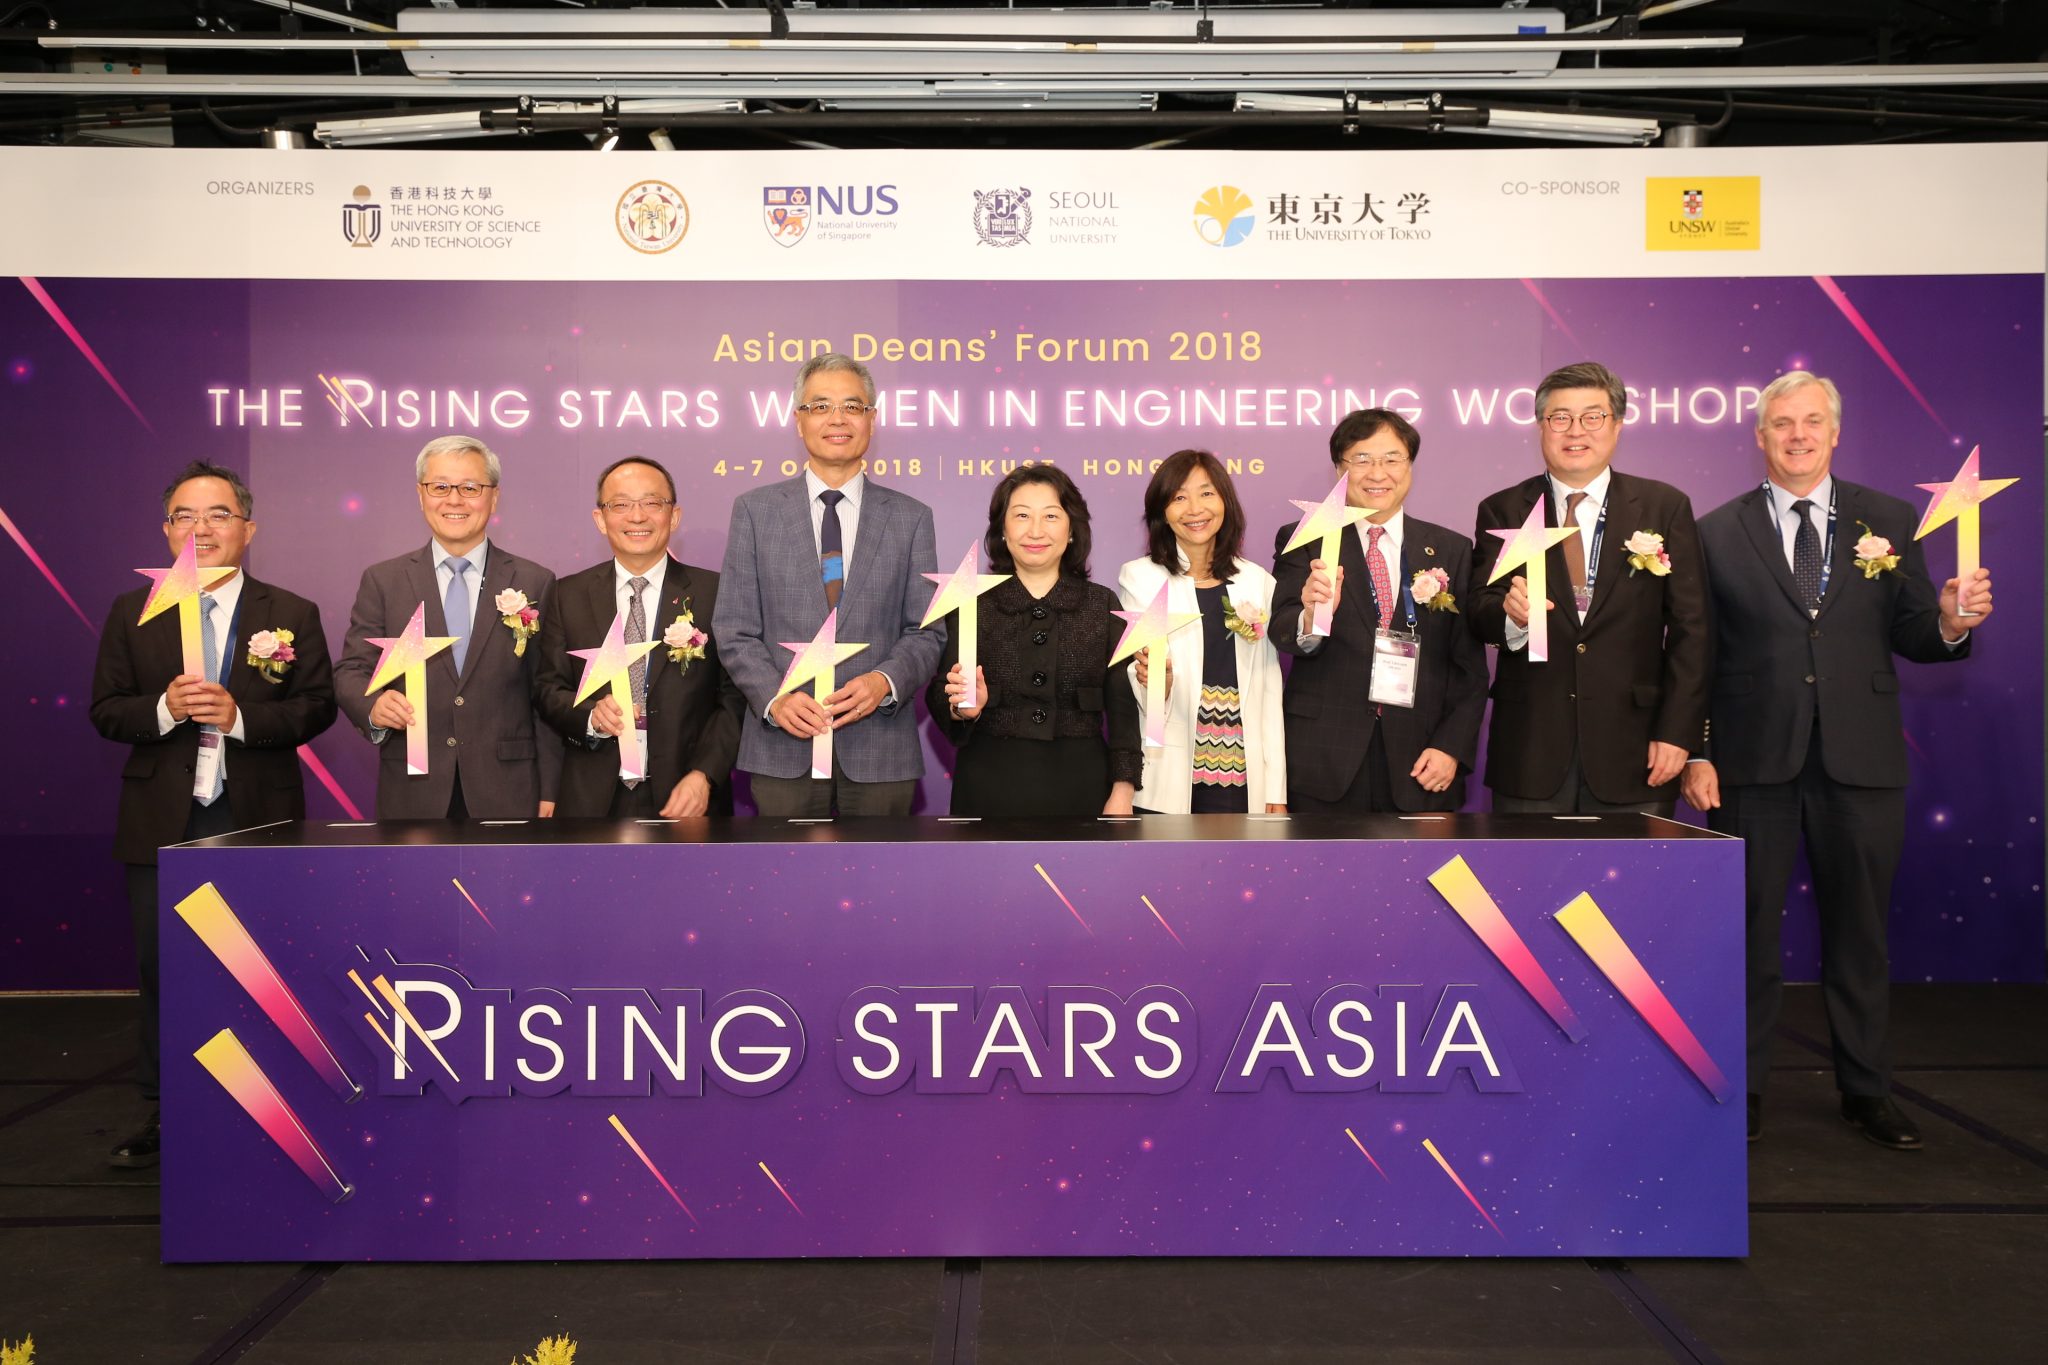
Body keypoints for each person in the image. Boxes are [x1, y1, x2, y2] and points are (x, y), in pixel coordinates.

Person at [1682, 371, 1992, 1149]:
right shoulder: (1716, 530)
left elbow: (1918, 632)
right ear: (1758, 436)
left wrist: (1951, 621)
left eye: (1811, 421)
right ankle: (1740, 1092)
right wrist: (1699, 750)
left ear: (1835, 431)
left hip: (1862, 762)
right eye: (1780, 423)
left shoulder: (1887, 518)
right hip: (1752, 764)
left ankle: (1866, 1090)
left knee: (1860, 935)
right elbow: (1697, 656)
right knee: (1745, 937)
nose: (1796, 435)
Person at [89, 461, 337, 1167]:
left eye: (219, 515)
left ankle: (272, 1106)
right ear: (167, 530)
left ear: (248, 528)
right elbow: (105, 709)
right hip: (161, 821)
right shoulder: (129, 611)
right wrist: (166, 708)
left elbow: (315, 705)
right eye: (186, 517)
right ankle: (170, 1113)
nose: (203, 529)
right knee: (166, 967)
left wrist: (240, 718)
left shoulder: (289, 612)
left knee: (263, 968)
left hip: (258, 816)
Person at [1469, 362, 1711, 815]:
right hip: (1531, 750)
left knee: (1634, 886)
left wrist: (1681, 734)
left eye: (1592, 416)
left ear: (1616, 425)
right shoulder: (1503, 508)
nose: (1575, 430)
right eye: (1560, 417)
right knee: (1527, 885)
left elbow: (1692, 632)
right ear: (1541, 427)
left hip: (1637, 750)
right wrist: (1510, 616)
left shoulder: (1664, 506)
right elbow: (1478, 610)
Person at [714, 354, 944, 817]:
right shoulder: (756, 511)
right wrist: (775, 698)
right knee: (786, 886)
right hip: (783, 748)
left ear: (872, 421)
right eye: (820, 406)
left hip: (880, 752)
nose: (837, 419)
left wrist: (885, 681)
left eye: (852, 407)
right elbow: (734, 628)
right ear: (798, 421)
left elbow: (926, 630)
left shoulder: (911, 517)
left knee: (882, 887)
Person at [334, 435, 559, 821]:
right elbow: (352, 671)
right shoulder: (384, 581)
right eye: (440, 487)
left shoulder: (534, 581)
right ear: (421, 495)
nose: (454, 500)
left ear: (494, 497)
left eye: (470, 487)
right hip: (413, 788)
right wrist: (373, 705)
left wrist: (551, 788)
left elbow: (548, 691)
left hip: (509, 789)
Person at [1272, 410, 1487, 813]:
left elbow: (1469, 668)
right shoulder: (1307, 537)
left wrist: (1450, 746)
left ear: (1410, 465)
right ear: (1340, 468)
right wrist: (1310, 616)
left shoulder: (1451, 550)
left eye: (1392, 459)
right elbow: (1283, 632)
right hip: (1325, 757)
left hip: (1420, 757)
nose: (1378, 473)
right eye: (1362, 459)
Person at [534, 456, 744, 817]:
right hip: (590, 799)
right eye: (620, 505)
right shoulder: (567, 594)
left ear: (674, 516)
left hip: (687, 797)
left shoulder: (715, 592)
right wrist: (590, 717)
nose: (637, 516)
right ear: (600, 519)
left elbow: (736, 699)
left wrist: (704, 775)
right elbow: (548, 689)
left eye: (651, 503)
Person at [929, 466, 1141, 816]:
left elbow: (1122, 707)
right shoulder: (971, 603)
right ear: (1002, 529)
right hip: (987, 786)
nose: (1036, 530)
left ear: (1072, 529)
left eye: (1052, 516)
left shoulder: (1102, 605)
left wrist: (1123, 791)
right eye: (1022, 516)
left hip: (1084, 787)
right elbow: (939, 692)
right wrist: (962, 707)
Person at [1116, 450, 1285, 814]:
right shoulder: (1141, 577)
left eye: (1206, 493)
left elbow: (1270, 689)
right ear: (1162, 511)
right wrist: (1154, 680)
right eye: (1179, 497)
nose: (1195, 508)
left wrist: (1276, 788)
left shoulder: (1258, 582)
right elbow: (1140, 681)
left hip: (1245, 775)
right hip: (1172, 772)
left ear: (1225, 501)